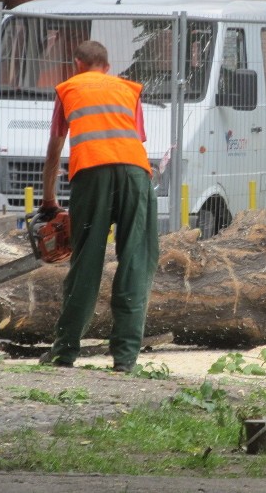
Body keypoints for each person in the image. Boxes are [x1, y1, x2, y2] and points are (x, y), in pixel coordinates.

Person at [39, 40, 159, 372]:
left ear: (77, 63)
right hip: (136, 173)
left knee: (86, 262)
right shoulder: (128, 89)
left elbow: (55, 149)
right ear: (107, 66)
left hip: (91, 172)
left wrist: (49, 200)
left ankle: (64, 352)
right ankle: (125, 359)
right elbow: (134, 138)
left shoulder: (68, 88)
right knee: (136, 260)